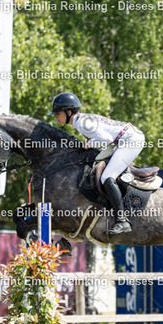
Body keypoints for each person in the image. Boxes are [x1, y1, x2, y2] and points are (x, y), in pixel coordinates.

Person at [48, 92, 145, 234]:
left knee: (107, 177)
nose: (56, 117)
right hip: (124, 139)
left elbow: (106, 140)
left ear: (69, 112)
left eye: (58, 113)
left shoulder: (82, 123)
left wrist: (89, 144)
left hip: (130, 140)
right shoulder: (81, 121)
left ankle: (122, 221)